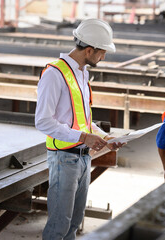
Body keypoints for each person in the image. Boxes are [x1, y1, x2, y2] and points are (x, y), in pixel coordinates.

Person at [35, 19, 123, 240]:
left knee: (73, 224)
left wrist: (104, 137)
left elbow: (81, 120)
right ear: (90, 50)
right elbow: (43, 121)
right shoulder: (54, 74)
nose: (103, 58)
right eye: (102, 53)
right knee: (59, 227)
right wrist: (84, 137)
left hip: (83, 158)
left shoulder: (82, 73)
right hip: (64, 159)